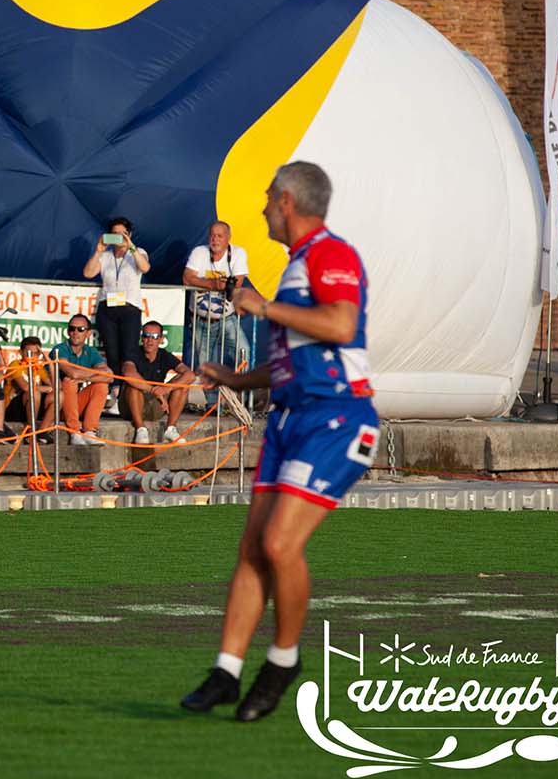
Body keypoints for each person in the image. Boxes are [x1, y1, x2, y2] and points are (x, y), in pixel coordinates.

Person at [182, 161, 380, 722]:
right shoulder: (297, 264)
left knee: (277, 545)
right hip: (291, 418)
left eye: (269, 197)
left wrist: (263, 306)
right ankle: (225, 671)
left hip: (336, 416)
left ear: (288, 201)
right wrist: (236, 378)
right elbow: (296, 356)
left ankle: (283, 660)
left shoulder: (330, 253)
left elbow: (340, 326)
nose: (264, 207)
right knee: (253, 546)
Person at [84, 216, 149, 385]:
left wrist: (131, 247)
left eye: (123, 233)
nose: (119, 237)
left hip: (130, 308)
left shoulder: (138, 252)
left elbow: (145, 268)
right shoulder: (105, 256)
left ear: (129, 235)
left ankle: (128, 389)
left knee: (129, 353)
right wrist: (98, 251)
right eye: (115, 234)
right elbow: (88, 273)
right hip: (107, 308)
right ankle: (115, 388)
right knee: (112, 353)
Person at [183, 221, 251, 371]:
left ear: (228, 238)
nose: (215, 240)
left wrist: (201, 282)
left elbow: (237, 283)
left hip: (227, 318)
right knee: (207, 365)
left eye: (220, 236)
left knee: (243, 352)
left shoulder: (238, 253)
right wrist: (214, 284)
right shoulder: (199, 252)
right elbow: (187, 278)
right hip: (201, 320)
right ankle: (212, 388)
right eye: (212, 236)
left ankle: (241, 385)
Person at [121, 321, 196, 444]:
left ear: (161, 339)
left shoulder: (164, 355)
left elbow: (190, 375)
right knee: (133, 386)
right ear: (142, 338)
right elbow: (129, 374)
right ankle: (140, 429)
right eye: (146, 336)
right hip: (131, 406)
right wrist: (154, 390)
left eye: (155, 337)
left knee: (182, 384)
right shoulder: (132, 353)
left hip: (156, 405)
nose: (150, 340)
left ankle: (171, 428)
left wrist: (166, 389)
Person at [54, 316, 110, 445]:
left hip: (75, 405)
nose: (75, 332)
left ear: (88, 333)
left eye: (80, 329)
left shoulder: (90, 351)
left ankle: (89, 431)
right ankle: (74, 431)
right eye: (72, 329)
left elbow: (109, 376)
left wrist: (83, 377)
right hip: (57, 406)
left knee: (101, 385)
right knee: (69, 382)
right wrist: (92, 374)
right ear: (68, 331)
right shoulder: (60, 349)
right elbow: (72, 373)